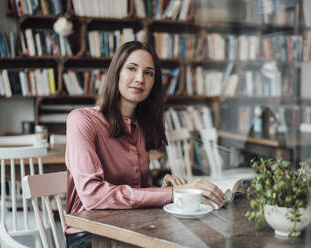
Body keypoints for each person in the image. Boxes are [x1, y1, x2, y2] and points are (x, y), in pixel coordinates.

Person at [65, 41, 226, 248]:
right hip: (90, 236)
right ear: (117, 73)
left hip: (129, 229)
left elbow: (132, 192)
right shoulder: (81, 120)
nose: (140, 78)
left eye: (149, 73)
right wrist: (170, 194)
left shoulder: (140, 127)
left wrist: (160, 188)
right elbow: (92, 196)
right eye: (132, 68)